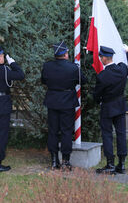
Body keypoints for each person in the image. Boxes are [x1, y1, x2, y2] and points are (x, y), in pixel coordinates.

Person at [41, 41, 87, 171]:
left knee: (53, 131)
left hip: (52, 101)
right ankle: (66, 161)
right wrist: (77, 71)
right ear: (66, 54)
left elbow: (43, 80)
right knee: (66, 132)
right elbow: (84, 81)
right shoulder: (73, 68)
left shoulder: (47, 66)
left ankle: (54, 160)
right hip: (67, 102)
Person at [93, 44, 128, 175]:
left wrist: (98, 101)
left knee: (107, 135)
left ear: (105, 58)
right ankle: (121, 164)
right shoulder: (122, 69)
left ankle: (110, 165)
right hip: (120, 105)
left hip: (107, 107)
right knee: (121, 134)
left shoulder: (102, 76)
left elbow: (96, 95)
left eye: (101, 56)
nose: (100, 58)